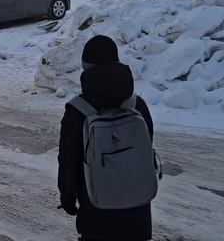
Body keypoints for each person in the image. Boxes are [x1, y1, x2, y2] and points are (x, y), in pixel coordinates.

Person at [58, 35, 155, 241]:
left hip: (96, 214)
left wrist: (67, 197)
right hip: (137, 214)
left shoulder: (77, 111)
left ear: (86, 67)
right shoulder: (137, 105)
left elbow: (67, 161)